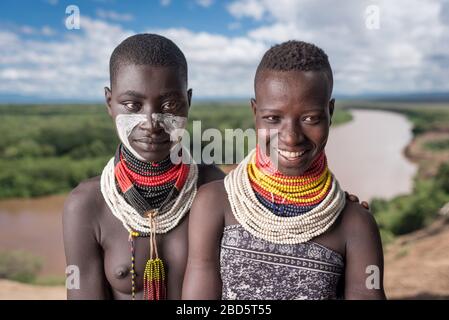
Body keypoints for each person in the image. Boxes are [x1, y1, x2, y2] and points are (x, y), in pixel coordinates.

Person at [182, 40, 386, 300]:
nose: (291, 137)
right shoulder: (213, 203)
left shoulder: (356, 224)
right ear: (255, 112)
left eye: (310, 118)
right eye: (273, 118)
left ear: (330, 112)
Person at [63, 34, 224, 300]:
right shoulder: (85, 205)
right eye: (132, 105)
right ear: (109, 104)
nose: (151, 123)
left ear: (188, 102)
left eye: (169, 105)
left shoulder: (216, 190)